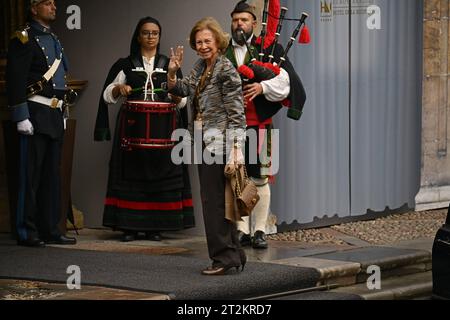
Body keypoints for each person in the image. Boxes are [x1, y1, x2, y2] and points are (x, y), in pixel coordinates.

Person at [94, 16, 194, 242]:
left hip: (164, 130)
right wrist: (119, 88)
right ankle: (129, 227)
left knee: (160, 175)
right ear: (138, 36)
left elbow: (183, 101)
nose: (151, 37)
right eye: (146, 33)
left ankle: (155, 227)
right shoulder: (125, 64)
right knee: (132, 175)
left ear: (159, 36)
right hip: (132, 129)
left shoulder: (170, 64)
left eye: (155, 33)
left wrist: (177, 95)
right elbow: (107, 96)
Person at [166, 17, 247, 275]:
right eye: (198, 42)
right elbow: (182, 89)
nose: (202, 46)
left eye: (207, 41)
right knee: (221, 201)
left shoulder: (226, 70)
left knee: (214, 202)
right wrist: (171, 71)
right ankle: (234, 253)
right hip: (202, 141)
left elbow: (237, 114)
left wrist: (236, 148)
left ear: (218, 42)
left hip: (220, 144)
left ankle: (223, 258)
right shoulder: (201, 66)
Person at [226, 0, 306, 249]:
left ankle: (259, 230)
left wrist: (262, 86)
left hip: (260, 123)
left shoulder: (270, 48)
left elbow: (287, 83)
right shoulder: (222, 50)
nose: (239, 24)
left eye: (245, 19)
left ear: (254, 23)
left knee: (260, 177)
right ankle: (241, 230)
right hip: (231, 124)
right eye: (236, 19)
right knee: (238, 177)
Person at [5, 0, 77, 247]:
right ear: (34, 8)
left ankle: (51, 229)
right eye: (47, 3)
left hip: (54, 114)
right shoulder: (23, 38)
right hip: (34, 113)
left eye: (54, 3)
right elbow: (15, 79)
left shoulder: (54, 39)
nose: (54, 6)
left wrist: (63, 112)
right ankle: (26, 229)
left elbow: (59, 79)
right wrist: (20, 115)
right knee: (30, 175)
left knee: (51, 176)